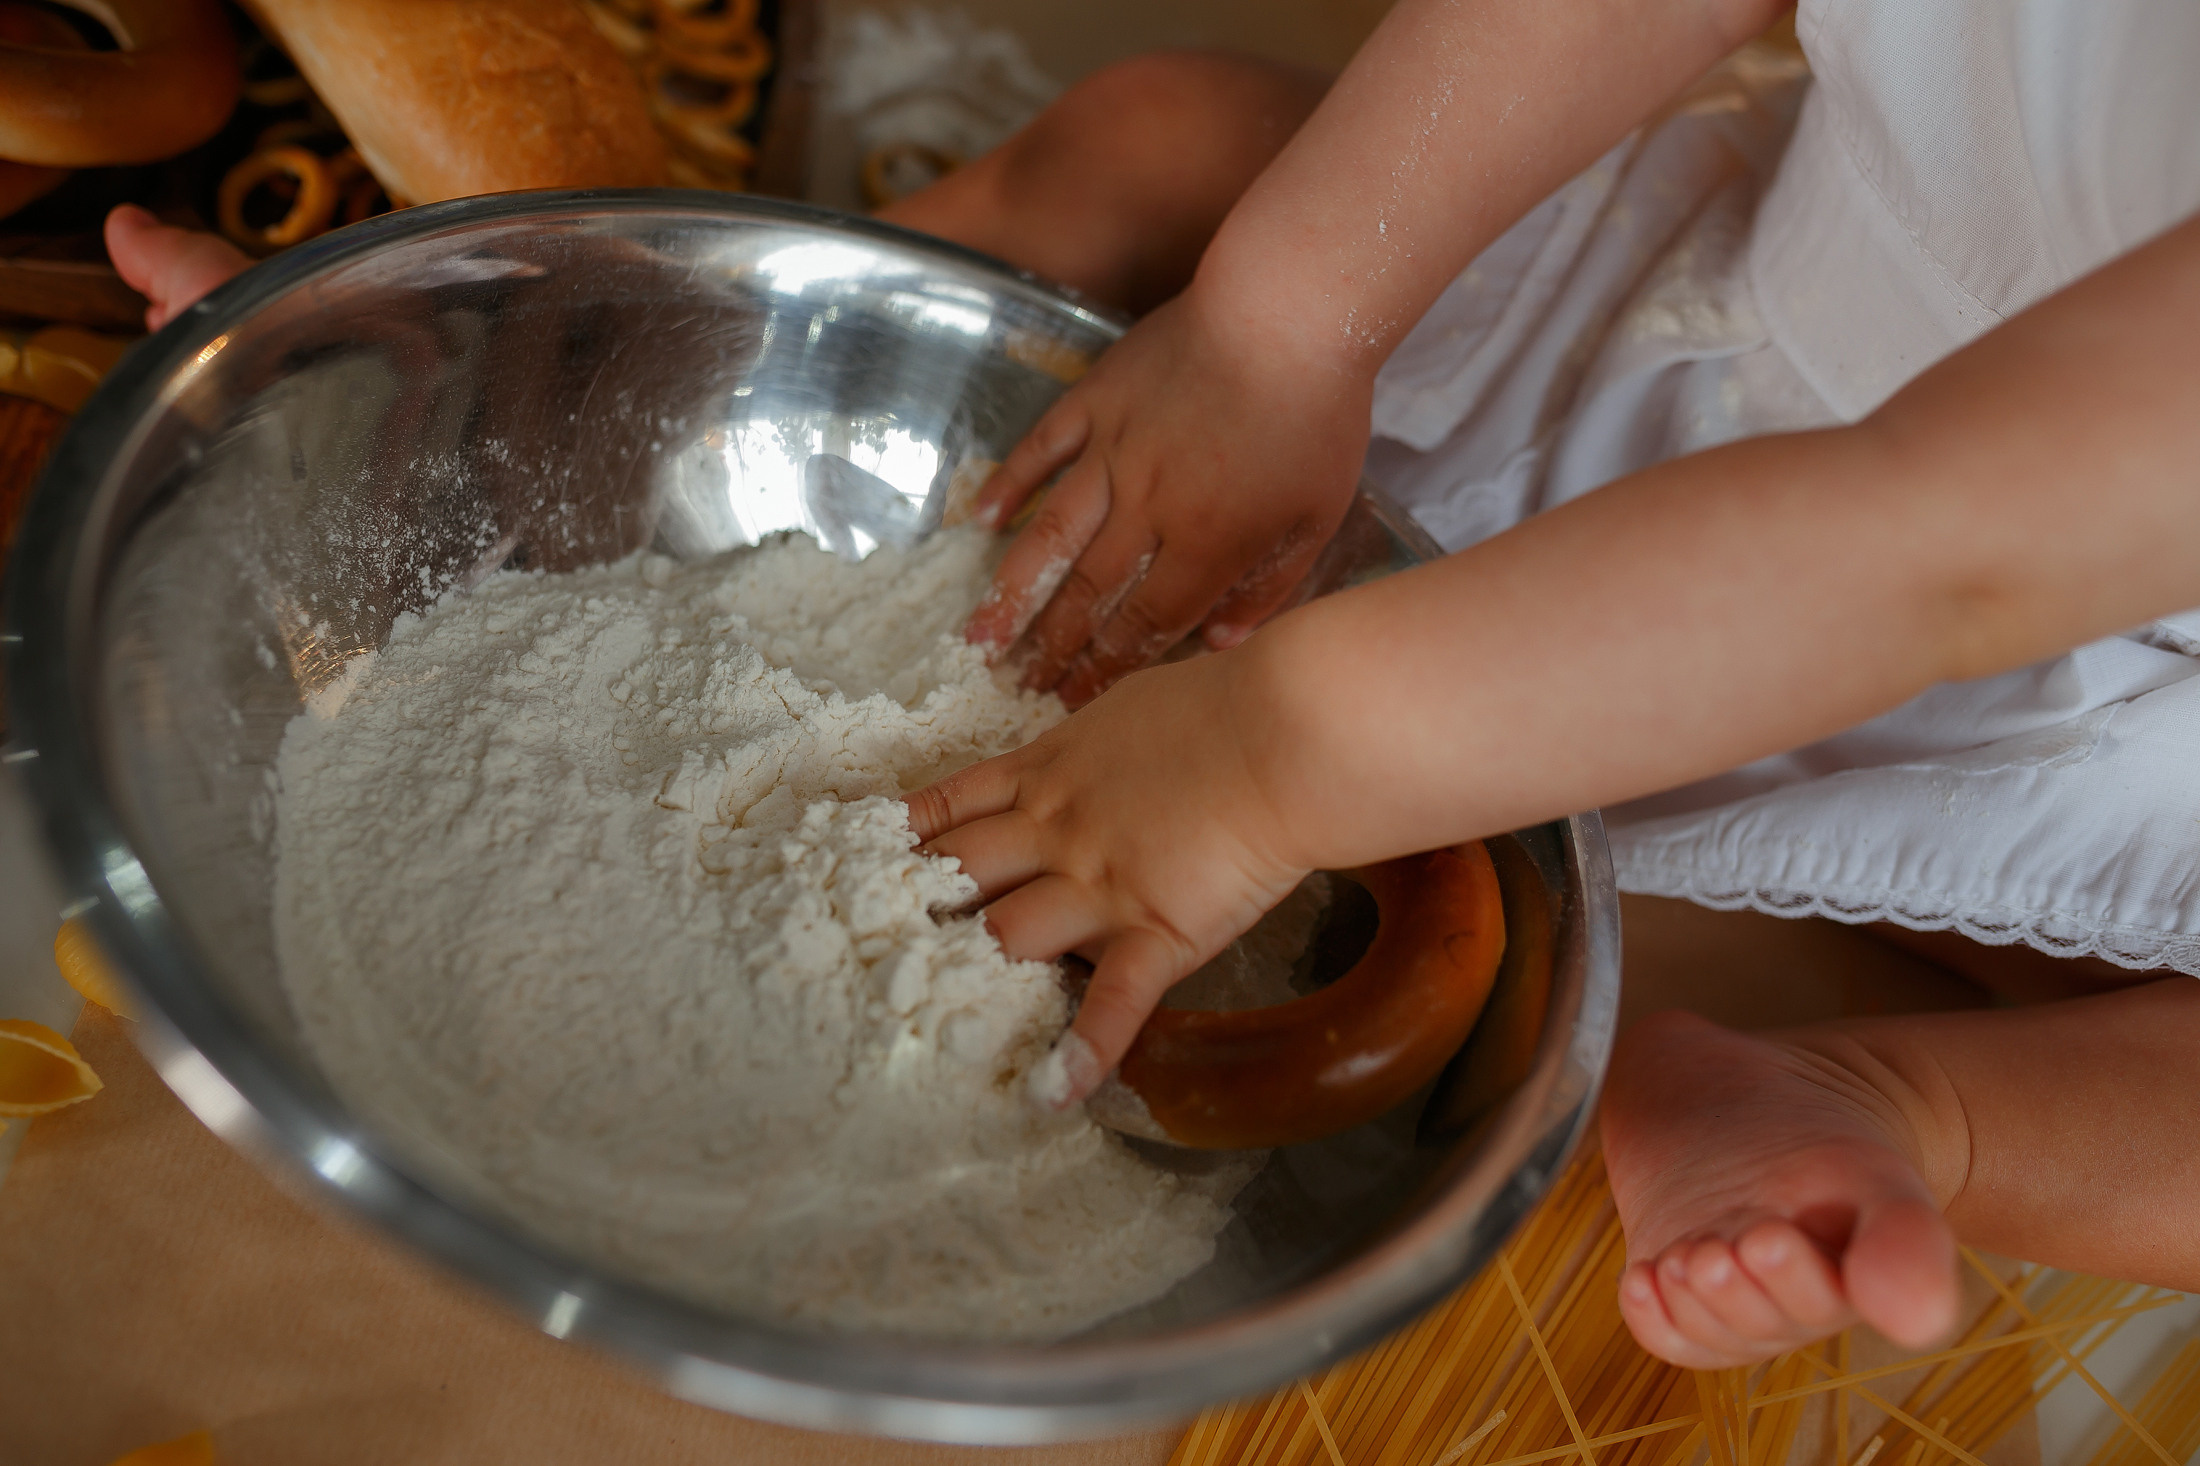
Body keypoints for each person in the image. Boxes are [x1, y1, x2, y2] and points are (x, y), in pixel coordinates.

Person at [105, 0, 2200, 1371]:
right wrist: (1299, 313)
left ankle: (1883, 1094)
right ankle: (589, 398)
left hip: (2109, 714)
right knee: (1164, 139)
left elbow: (1941, 550)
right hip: (1773, 296)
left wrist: (1267, 761)